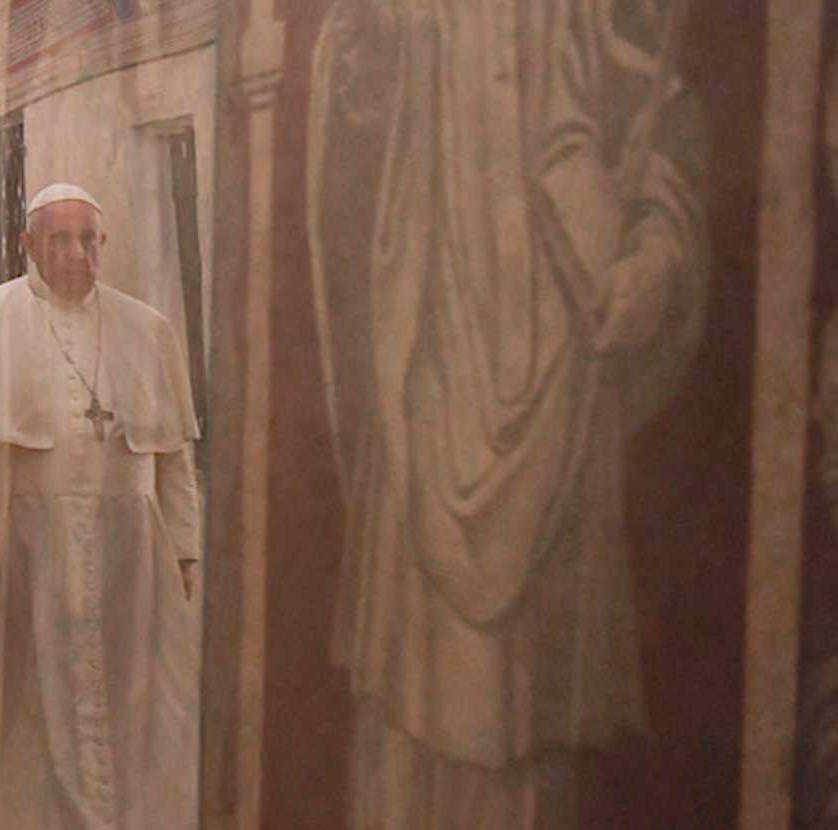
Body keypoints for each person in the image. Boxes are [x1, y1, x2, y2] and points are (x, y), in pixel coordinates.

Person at [307, 0, 705, 825]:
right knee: (407, 714)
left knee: (530, 722)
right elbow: (356, 106)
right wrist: (363, 46)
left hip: (561, 369)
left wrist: (657, 259)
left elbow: (662, 111)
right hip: (426, 353)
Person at [0, 183, 202, 830]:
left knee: (128, 705)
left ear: (102, 244)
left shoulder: (147, 329)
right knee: (35, 705)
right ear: (28, 246)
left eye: (88, 239)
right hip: (31, 552)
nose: (76, 253)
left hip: (129, 558)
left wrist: (187, 551)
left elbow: (173, 461)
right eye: (59, 239)